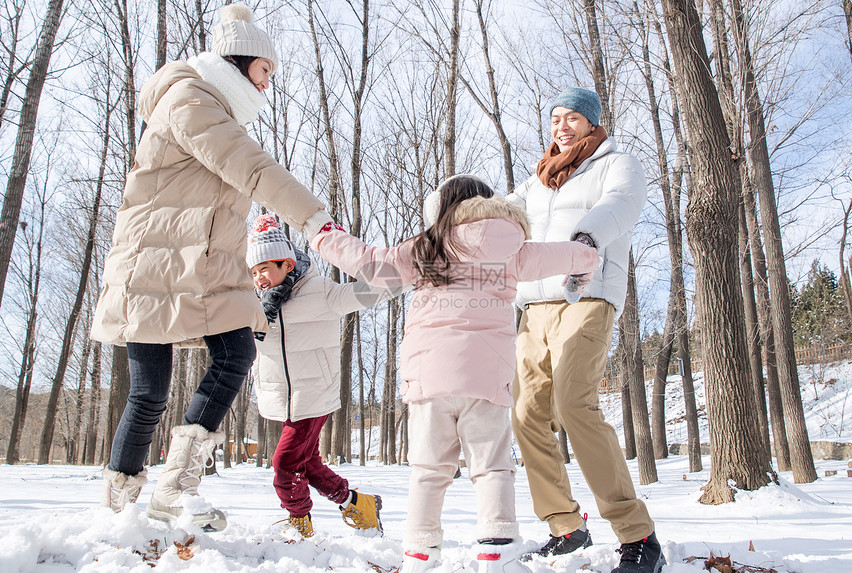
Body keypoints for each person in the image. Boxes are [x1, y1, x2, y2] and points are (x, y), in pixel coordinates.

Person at [92, 4, 334, 531]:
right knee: (149, 391)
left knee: (234, 352)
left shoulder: (212, 109)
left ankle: (174, 488)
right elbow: (248, 167)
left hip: (193, 269)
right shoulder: (190, 101)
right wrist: (314, 216)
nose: (268, 85)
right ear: (240, 61)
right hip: (152, 265)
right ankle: (119, 510)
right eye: (265, 72)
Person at [310, 175, 600, 573]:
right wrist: (585, 261)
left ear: (442, 209)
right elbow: (569, 254)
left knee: (429, 470)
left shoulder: (430, 247)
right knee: (492, 466)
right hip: (487, 377)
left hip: (429, 377)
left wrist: (324, 234)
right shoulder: (513, 246)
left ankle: (420, 553)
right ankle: (497, 548)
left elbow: (369, 264)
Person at [507, 87, 666, 573]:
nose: (561, 126)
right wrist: (455, 222)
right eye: (555, 118)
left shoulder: (616, 163)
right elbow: (499, 214)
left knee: (574, 404)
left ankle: (637, 533)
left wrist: (586, 239)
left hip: (587, 293)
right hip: (534, 306)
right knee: (527, 414)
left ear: (592, 123)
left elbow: (622, 203)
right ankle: (565, 526)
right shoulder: (536, 182)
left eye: (572, 117)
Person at [246, 214, 398, 538]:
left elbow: (365, 293)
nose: (259, 277)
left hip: (314, 395)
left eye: (265, 269)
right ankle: (359, 505)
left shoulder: (319, 291)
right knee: (308, 464)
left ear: (287, 264)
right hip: (285, 399)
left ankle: (299, 526)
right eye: (254, 271)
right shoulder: (255, 305)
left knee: (284, 466)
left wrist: (399, 275)